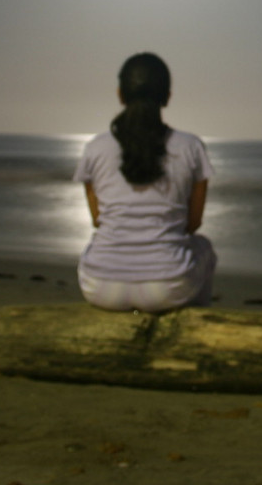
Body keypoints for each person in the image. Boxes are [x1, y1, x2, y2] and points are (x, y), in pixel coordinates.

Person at [74, 52, 216, 313]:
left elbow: (97, 220)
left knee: (94, 245)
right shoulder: (191, 147)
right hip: (168, 287)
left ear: (120, 94)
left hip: (100, 286)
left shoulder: (95, 148)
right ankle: (193, 324)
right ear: (167, 96)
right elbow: (193, 224)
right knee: (204, 248)